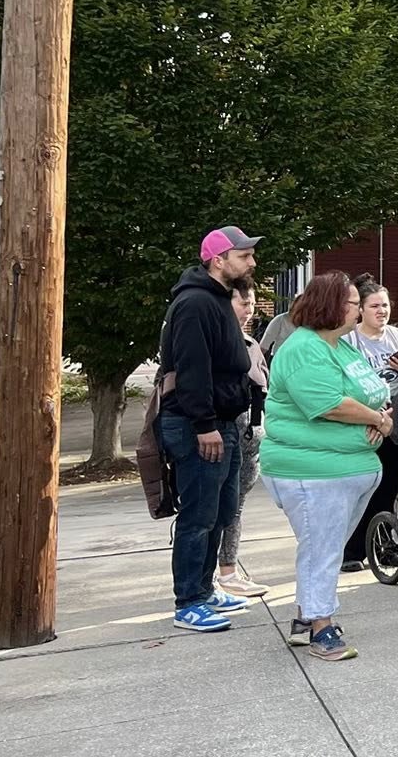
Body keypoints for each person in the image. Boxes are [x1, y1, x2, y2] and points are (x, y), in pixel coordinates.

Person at [258, 271, 393, 661]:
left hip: (348, 468)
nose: (358, 309)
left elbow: (374, 391)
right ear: (332, 306)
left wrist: (381, 416)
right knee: (323, 550)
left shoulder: (341, 347)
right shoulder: (304, 349)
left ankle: (306, 618)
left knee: (322, 547)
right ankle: (321, 628)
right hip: (312, 472)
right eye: (353, 303)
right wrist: (377, 419)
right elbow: (329, 404)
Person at [160, 225, 262, 633]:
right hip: (198, 425)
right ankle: (188, 602)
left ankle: (205, 590)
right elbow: (192, 370)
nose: (252, 262)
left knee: (220, 511)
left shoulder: (218, 297)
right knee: (198, 515)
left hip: (225, 422)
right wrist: (204, 424)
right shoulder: (194, 303)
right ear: (218, 260)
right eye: (244, 255)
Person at [339, 275, 398, 571]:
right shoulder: (348, 341)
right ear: (360, 309)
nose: (381, 311)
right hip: (360, 423)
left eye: (385, 305)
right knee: (359, 487)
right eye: (375, 306)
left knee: (388, 488)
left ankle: (385, 546)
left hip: (393, 422)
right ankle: (351, 550)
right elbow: (341, 383)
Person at [214, 279, 271, 598]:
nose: (248, 310)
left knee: (235, 507)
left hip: (251, 441)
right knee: (213, 509)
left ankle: (229, 571)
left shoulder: (251, 344)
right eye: (242, 303)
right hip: (220, 439)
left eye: (251, 304)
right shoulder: (215, 342)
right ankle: (204, 577)